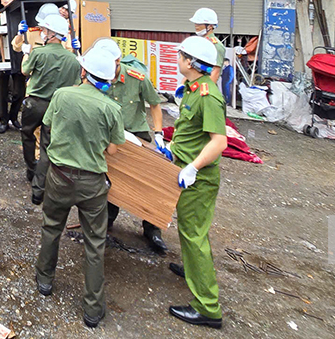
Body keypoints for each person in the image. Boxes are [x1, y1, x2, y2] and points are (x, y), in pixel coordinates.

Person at [34, 41, 126, 328]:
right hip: (92, 184)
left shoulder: (62, 96)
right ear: (109, 78)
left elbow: (47, 127)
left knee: (52, 227)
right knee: (95, 243)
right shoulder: (112, 108)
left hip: (59, 177)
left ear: (83, 72)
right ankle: (92, 310)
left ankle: (45, 281)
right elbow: (112, 151)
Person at [163, 35, 227, 329]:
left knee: (194, 236)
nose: (177, 58)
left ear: (190, 63)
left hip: (197, 179)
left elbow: (220, 142)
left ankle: (208, 308)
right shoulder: (192, 88)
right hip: (185, 170)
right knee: (188, 231)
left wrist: (192, 166)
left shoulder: (208, 96)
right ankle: (191, 270)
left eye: (180, 55)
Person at [100, 39, 169, 255]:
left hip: (136, 133)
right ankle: (106, 220)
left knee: (148, 181)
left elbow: (155, 104)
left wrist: (158, 134)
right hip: (110, 134)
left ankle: (152, 228)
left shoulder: (136, 78)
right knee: (109, 179)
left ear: (118, 61)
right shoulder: (98, 75)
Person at [12, 11, 80, 204]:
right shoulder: (72, 59)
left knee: (27, 134)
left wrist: (26, 54)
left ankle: (31, 170)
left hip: (35, 104)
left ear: (51, 33)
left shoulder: (39, 52)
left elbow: (25, 70)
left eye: (43, 29)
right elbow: (76, 83)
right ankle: (39, 189)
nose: (41, 32)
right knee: (47, 146)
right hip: (58, 107)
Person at [0, 0, 24, 133]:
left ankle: (14, 116)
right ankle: (3, 121)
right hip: (3, 52)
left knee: (19, 90)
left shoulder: (22, 13)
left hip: (19, 53)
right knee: (2, 90)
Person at [190, 8, 226, 78]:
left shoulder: (215, 45)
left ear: (210, 26)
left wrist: (205, 88)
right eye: (195, 23)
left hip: (205, 84)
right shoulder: (199, 42)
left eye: (199, 23)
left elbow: (215, 72)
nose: (196, 25)